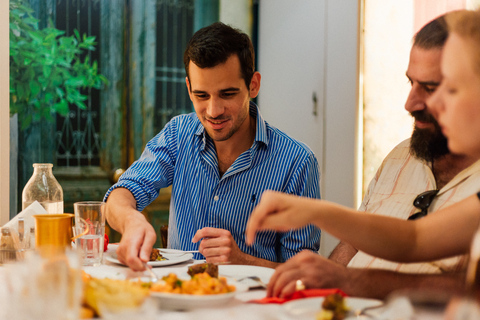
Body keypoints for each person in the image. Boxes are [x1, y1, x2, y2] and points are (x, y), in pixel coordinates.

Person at [246, 13, 480, 299]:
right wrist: (314, 211)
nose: (413, 103)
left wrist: (348, 279)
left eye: (447, 89)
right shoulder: (402, 156)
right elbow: (414, 239)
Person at [104, 22, 321, 271]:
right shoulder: (178, 133)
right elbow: (119, 196)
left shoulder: (297, 162)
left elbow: (304, 274)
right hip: (177, 298)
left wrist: (243, 261)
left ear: (253, 85)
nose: (213, 111)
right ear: (188, 88)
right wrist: (131, 220)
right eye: (201, 95)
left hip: (251, 306)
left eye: (227, 94)